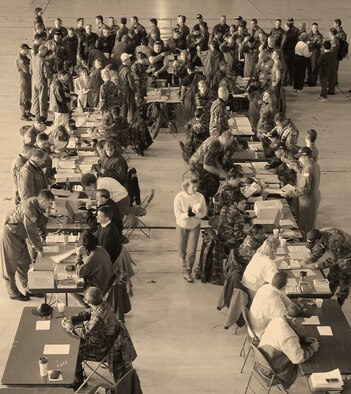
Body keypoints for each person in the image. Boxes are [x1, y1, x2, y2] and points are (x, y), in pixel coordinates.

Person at [61, 287, 135, 390]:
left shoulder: (97, 319)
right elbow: (89, 312)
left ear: (86, 301)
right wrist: (74, 318)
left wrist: (71, 328)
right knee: (74, 342)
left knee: (74, 351)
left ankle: (79, 381)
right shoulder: (104, 305)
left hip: (100, 350)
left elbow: (85, 332)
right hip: (108, 341)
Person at [0, 190, 55, 301]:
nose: (50, 206)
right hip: (11, 233)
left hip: (20, 234)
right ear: (43, 201)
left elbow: (40, 223)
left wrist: (43, 236)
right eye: (49, 203)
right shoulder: (29, 209)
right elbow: (32, 231)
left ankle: (29, 288)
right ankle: (13, 292)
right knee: (10, 266)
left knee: (24, 262)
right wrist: (39, 248)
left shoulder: (37, 205)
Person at [258, 303, 319, 389]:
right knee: (313, 368)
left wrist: (303, 339)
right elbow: (298, 358)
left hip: (261, 362)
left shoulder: (277, 320)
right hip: (272, 371)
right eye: (302, 320)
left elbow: (284, 338)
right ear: (295, 320)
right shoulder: (289, 336)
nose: (303, 322)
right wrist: (312, 348)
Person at [302, 228, 351, 306]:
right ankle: (327, 300)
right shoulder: (320, 234)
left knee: (344, 283)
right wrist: (310, 259)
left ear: (318, 239)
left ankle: (338, 306)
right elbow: (320, 249)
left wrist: (318, 265)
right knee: (331, 279)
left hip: (348, 257)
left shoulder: (333, 241)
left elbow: (334, 259)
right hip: (338, 254)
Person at [174, 176, 207, 282]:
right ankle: (183, 258)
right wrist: (187, 215)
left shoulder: (200, 197)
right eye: (193, 187)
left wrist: (196, 215)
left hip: (194, 225)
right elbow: (177, 214)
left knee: (192, 251)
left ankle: (188, 271)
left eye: (197, 187)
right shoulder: (179, 197)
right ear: (186, 187)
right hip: (182, 225)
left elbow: (204, 212)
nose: (196, 189)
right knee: (182, 247)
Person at [282, 146, 321, 237]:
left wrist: (289, 193)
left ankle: (305, 244)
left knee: (305, 225)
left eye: (300, 158)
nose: (299, 160)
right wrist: (297, 169)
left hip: (307, 201)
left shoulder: (308, 170)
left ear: (306, 157)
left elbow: (303, 189)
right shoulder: (314, 165)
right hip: (312, 198)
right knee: (309, 223)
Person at [189, 130, 236, 204]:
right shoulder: (214, 145)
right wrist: (221, 173)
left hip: (202, 163)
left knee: (215, 180)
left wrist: (220, 169)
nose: (229, 145)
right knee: (210, 184)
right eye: (229, 143)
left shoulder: (217, 139)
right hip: (197, 165)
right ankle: (203, 204)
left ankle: (207, 202)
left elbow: (214, 159)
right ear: (225, 140)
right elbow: (207, 166)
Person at [73, 231, 115, 306]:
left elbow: (80, 273)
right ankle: (87, 305)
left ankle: (87, 306)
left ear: (84, 247)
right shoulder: (100, 249)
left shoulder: (93, 257)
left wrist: (79, 255)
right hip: (106, 283)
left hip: (98, 289)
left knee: (71, 288)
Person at [249, 272, 293, 338]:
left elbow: (283, 296)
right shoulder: (276, 304)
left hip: (254, 325)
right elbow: (286, 325)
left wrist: (291, 305)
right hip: (260, 333)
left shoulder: (265, 287)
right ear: (285, 287)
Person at [31, 44, 51, 120]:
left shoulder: (32, 59)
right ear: (42, 50)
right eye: (45, 51)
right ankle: (43, 118)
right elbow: (46, 73)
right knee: (43, 100)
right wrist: (51, 77)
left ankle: (37, 117)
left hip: (34, 81)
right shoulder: (43, 60)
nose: (45, 53)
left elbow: (31, 71)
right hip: (41, 81)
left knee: (35, 100)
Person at [118, 53, 137, 122]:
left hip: (121, 89)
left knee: (124, 108)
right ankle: (133, 123)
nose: (130, 60)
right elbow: (131, 83)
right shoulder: (127, 70)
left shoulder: (119, 68)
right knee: (131, 107)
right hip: (128, 89)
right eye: (129, 59)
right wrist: (135, 90)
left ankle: (123, 123)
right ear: (126, 60)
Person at [17, 43, 33, 121]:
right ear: (23, 49)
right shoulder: (20, 59)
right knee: (23, 97)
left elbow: (32, 62)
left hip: (28, 79)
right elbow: (26, 69)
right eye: (27, 50)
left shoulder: (25, 57)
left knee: (28, 96)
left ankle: (27, 112)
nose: (28, 51)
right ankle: (22, 114)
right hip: (24, 80)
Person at [281, 18, 299, 85]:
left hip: (286, 52)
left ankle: (284, 81)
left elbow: (283, 44)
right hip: (293, 52)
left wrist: (281, 50)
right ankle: (290, 80)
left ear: (287, 26)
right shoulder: (295, 33)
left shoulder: (286, 34)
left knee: (285, 66)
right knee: (291, 67)